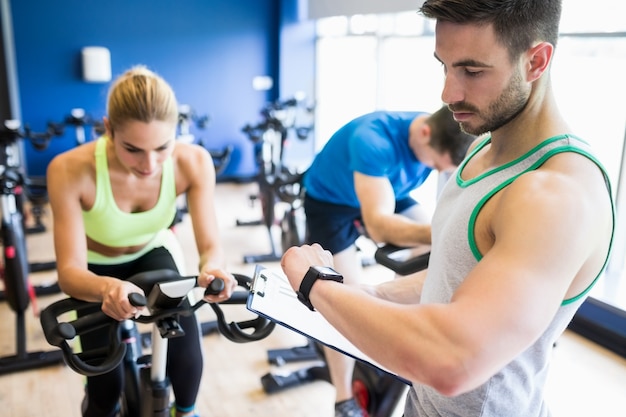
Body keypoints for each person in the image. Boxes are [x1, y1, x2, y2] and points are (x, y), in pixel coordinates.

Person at [280, 1, 615, 416]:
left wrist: (317, 285)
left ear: (537, 61)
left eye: (472, 71)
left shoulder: (557, 194)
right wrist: (370, 294)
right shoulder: (480, 150)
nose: (448, 94)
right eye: (445, 66)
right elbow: (456, 272)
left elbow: (453, 361)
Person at [47, 66, 237, 417]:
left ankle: (187, 411)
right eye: (133, 149)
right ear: (108, 130)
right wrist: (107, 289)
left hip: (151, 253)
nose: (149, 164)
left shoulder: (192, 162)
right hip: (93, 269)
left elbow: (211, 247)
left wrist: (213, 268)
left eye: (162, 147)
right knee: (106, 386)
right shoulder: (69, 169)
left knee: (185, 347)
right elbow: (70, 272)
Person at [301, 107, 475, 417]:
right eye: (434, 164)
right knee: (342, 297)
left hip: (390, 190)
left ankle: (393, 320)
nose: (435, 171)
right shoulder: (373, 139)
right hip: (332, 202)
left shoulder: (442, 133)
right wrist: (445, 231)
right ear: (424, 133)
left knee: (438, 252)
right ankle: (343, 399)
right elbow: (379, 225)